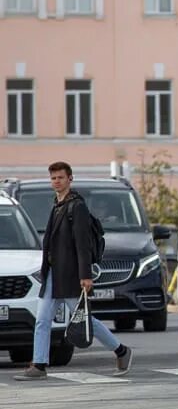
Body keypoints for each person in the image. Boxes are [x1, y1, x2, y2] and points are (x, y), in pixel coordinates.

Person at [15, 161, 133, 380]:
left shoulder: (76, 206)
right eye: (53, 178)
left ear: (70, 178)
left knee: (85, 320)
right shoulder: (58, 204)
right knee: (42, 320)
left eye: (60, 177)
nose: (56, 182)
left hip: (70, 275)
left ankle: (121, 351)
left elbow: (82, 244)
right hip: (53, 274)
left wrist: (85, 275)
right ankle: (39, 365)